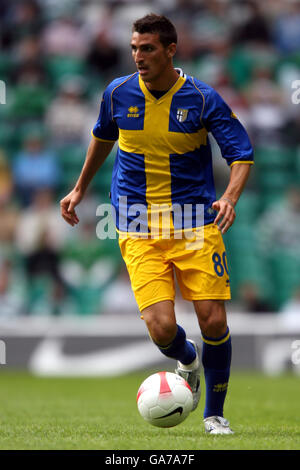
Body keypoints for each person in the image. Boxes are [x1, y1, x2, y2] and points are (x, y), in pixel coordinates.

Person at [60, 14, 253, 435]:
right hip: (135, 222)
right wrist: (79, 188)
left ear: (170, 50)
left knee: (213, 320)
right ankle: (188, 360)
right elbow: (102, 136)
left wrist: (230, 197)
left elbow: (241, 153)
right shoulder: (117, 93)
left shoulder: (202, 98)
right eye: (133, 48)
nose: (138, 56)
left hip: (194, 221)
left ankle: (215, 415)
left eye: (147, 48)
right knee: (162, 328)